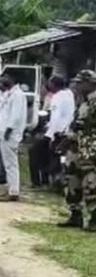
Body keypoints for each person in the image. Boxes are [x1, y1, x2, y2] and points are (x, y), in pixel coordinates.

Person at [58, 70, 96, 231]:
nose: (77, 86)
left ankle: (94, 218)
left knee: (91, 182)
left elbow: (84, 125)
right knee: (71, 179)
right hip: (76, 147)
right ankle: (76, 214)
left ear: (90, 83)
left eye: (80, 83)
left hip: (90, 149)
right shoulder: (83, 101)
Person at [0, 74, 28, 202]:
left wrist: (8, 130)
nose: (1, 81)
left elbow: (16, 115)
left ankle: (13, 192)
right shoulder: (10, 94)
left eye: (4, 78)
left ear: (11, 79)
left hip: (10, 134)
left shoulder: (17, 95)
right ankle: (11, 188)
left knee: (11, 164)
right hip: (5, 132)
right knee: (8, 164)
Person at [44, 75, 75, 183]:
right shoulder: (69, 94)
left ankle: (48, 180)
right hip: (67, 129)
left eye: (50, 83)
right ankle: (57, 180)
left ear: (54, 85)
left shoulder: (57, 97)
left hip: (58, 131)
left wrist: (49, 134)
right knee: (60, 156)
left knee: (51, 155)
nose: (48, 86)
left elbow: (55, 117)